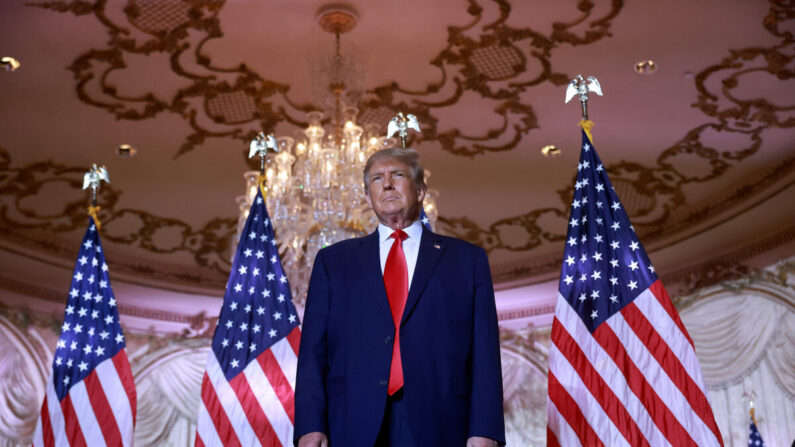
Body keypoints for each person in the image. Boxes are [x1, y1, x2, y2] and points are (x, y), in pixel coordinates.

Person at [294, 148, 505, 447]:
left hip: (442, 420)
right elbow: (313, 351)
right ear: (368, 197)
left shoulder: (466, 260)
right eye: (377, 178)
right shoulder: (333, 262)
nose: (387, 184)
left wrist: (485, 428)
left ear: (420, 190)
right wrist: (309, 424)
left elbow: (484, 351)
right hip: (353, 421)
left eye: (398, 175)